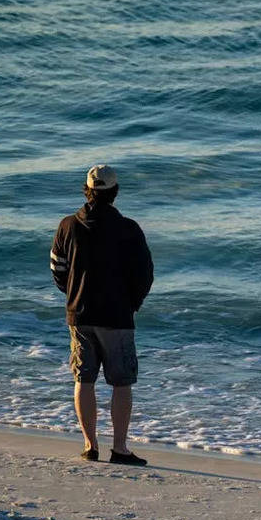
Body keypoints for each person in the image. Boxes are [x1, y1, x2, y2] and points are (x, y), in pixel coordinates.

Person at [50, 164, 153, 465]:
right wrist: (132, 302)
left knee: (84, 379)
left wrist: (72, 294)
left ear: (88, 190)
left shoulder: (68, 225)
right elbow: (145, 274)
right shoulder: (129, 229)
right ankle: (119, 448)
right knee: (121, 383)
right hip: (117, 315)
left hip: (79, 314)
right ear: (115, 192)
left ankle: (90, 445)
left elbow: (57, 269)